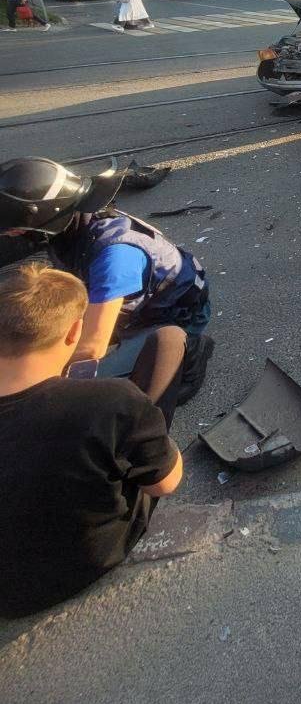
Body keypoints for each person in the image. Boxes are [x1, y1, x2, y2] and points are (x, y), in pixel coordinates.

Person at [0, 262, 184, 616]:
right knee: (169, 340)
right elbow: (166, 484)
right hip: (82, 563)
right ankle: (145, 444)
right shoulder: (109, 402)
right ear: (74, 332)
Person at [0, 157, 213, 403]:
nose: (12, 234)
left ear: (46, 215)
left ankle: (190, 352)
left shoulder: (114, 257)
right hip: (131, 302)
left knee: (94, 397)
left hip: (171, 319)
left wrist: (29, 377)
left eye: (15, 229)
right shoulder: (76, 221)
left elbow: (92, 347)